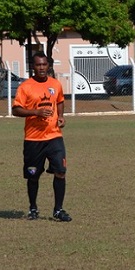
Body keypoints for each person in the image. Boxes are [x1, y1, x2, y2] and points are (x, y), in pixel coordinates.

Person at [12, 52, 72, 222]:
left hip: (54, 136)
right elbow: (16, 110)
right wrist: (35, 112)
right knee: (33, 175)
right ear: (33, 66)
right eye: (38, 65)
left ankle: (58, 210)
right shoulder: (25, 87)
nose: (41, 68)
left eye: (44, 64)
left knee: (60, 171)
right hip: (33, 140)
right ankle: (33, 208)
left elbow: (59, 101)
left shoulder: (55, 84)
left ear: (48, 65)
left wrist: (60, 116)